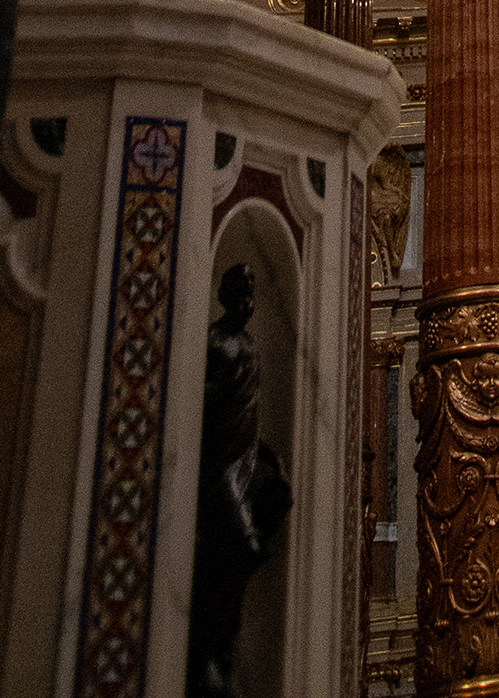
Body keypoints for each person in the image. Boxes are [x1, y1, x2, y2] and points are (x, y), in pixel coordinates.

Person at [186, 267, 292, 697]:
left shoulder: (248, 344)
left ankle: (220, 649)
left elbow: (249, 411)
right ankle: (207, 649)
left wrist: (268, 457)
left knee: (275, 503)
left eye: (252, 291)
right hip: (219, 465)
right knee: (241, 547)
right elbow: (201, 397)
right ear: (227, 295)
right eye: (243, 291)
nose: (250, 299)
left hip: (245, 458)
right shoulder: (215, 343)